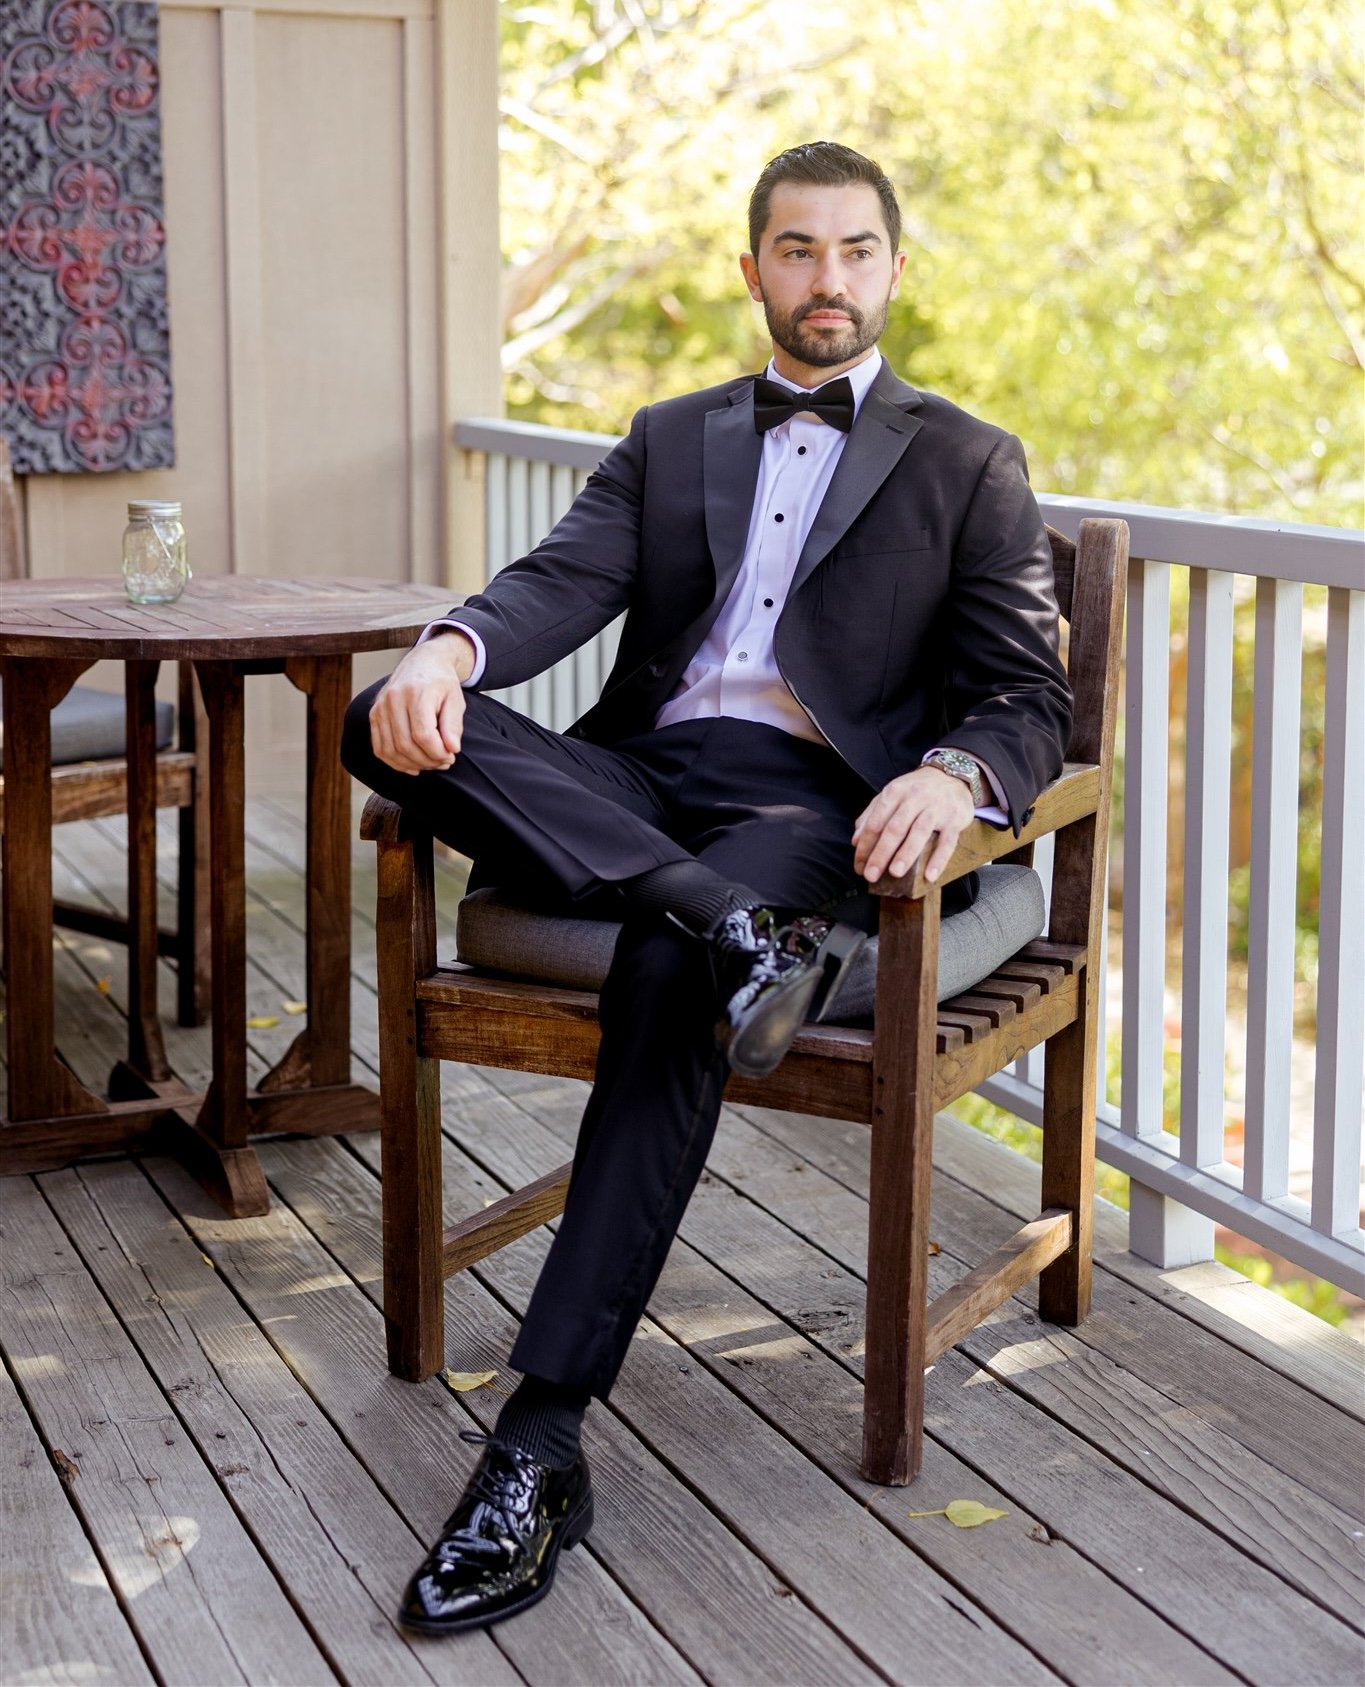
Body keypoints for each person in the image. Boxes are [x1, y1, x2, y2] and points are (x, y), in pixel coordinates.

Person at [342, 140, 1071, 1636]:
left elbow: (1025, 698)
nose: (827, 278)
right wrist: (447, 650)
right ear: (753, 272)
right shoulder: (669, 437)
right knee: (382, 722)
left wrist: (950, 776)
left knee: (675, 977)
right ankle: (718, 918)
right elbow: (557, 578)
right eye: (796, 251)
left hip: (806, 810)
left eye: (854, 250)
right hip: (639, 781)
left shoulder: (966, 460)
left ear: (892, 269)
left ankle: (536, 1444)